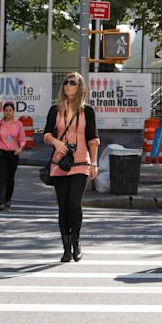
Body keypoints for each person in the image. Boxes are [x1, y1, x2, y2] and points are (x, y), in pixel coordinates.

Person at [42, 72, 99, 262]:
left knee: (75, 203)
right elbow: (46, 134)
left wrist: (94, 163)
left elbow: (93, 139)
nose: (68, 85)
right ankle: (66, 247)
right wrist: (56, 142)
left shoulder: (87, 111)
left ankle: (76, 241)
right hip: (60, 163)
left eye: (72, 82)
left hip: (81, 162)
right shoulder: (55, 110)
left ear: (80, 87)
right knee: (63, 206)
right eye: (66, 82)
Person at [0, 102, 24, 211]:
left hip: (13, 154)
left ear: (13, 112)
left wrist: (19, 149)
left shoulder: (18, 124)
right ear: (3, 111)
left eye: (10, 110)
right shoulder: (0, 123)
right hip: (1, 153)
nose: (8, 112)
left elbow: (22, 139)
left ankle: (8, 199)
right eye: (6, 110)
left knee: (10, 178)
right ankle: (1, 201)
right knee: (2, 177)